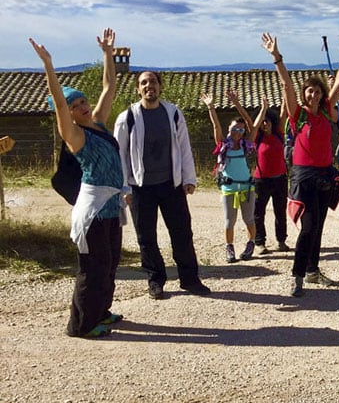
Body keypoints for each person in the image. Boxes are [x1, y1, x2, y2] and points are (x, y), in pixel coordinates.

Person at [30, 29, 125, 338]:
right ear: (69, 113)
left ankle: (101, 312)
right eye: (77, 104)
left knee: (109, 264)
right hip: (94, 208)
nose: (84, 105)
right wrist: (48, 65)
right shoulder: (75, 136)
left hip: (111, 207)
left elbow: (109, 86)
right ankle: (81, 325)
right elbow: (57, 104)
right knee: (93, 266)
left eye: (84, 101)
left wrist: (108, 54)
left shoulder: (97, 123)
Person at [262, 32, 339, 297]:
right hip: (303, 176)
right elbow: (287, 86)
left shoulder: (325, 111)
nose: (313, 93)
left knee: (319, 225)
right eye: (309, 90)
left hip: (325, 174)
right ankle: (297, 275)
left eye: (317, 90)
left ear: (322, 94)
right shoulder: (296, 114)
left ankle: (313, 270)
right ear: (304, 94)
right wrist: (277, 58)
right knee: (309, 226)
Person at [114, 71, 210, 300]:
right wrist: (124, 189)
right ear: (138, 89)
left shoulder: (173, 113)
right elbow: (119, 156)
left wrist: (189, 179)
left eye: (153, 82)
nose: (150, 86)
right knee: (146, 237)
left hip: (171, 185)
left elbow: (184, 147)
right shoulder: (127, 117)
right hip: (139, 188)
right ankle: (155, 280)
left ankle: (190, 279)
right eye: (144, 83)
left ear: (160, 86)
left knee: (182, 233)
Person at [230, 91, 290, 255]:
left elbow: (284, 113)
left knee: (280, 211)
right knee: (258, 213)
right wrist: (236, 103)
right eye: (262, 122)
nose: (265, 124)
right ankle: (260, 243)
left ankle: (281, 241)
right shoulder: (257, 137)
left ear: (272, 121)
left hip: (280, 179)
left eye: (267, 121)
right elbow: (250, 122)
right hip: (261, 180)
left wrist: (286, 94)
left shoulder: (279, 134)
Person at [200, 91, 257, 263]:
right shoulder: (224, 145)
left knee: (249, 219)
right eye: (234, 129)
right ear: (229, 130)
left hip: (247, 188)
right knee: (229, 221)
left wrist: (238, 104)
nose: (238, 132)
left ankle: (250, 244)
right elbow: (216, 127)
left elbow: (251, 125)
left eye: (240, 129)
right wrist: (211, 107)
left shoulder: (246, 145)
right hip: (229, 188)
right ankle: (229, 247)